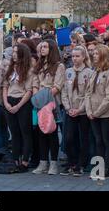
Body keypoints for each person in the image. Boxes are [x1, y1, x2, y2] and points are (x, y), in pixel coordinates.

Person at [85, 44, 109, 180]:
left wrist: (97, 112)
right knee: (98, 140)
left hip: (104, 114)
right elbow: (87, 92)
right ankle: (99, 168)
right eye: (93, 54)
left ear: (104, 56)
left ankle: (107, 168)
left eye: (97, 54)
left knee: (106, 140)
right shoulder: (94, 72)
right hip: (92, 112)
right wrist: (89, 110)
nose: (94, 56)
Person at [32, 39, 65, 175]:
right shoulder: (39, 65)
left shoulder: (59, 66)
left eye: (45, 47)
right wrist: (37, 99)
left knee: (52, 133)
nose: (42, 49)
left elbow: (57, 86)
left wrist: (44, 98)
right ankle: (42, 162)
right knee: (41, 133)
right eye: (41, 47)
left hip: (52, 103)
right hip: (39, 102)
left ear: (51, 49)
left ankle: (53, 164)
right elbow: (35, 83)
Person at [3, 43, 37, 172]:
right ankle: (15, 159)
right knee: (14, 132)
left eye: (17, 52)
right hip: (10, 100)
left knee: (25, 132)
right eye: (13, 52)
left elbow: (29, 91)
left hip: (23, 102)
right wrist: (6, 102)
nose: (14, 54)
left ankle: (25, 161)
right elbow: (5, 86)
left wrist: (18, 105)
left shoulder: (29, 70)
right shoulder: (11, 68)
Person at [60, 46, 94, 176]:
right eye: (73, 56)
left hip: (83, 111)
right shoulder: (68, 71)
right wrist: (68, 108)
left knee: (83, 138)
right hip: (70, 110)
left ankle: (80, 164)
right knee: (68, 138)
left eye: (77, 56)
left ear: (84, 57)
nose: (74, 59)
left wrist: (80, 109)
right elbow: (64, 91)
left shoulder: (89, 73)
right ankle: (71, 162)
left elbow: (88, 94)